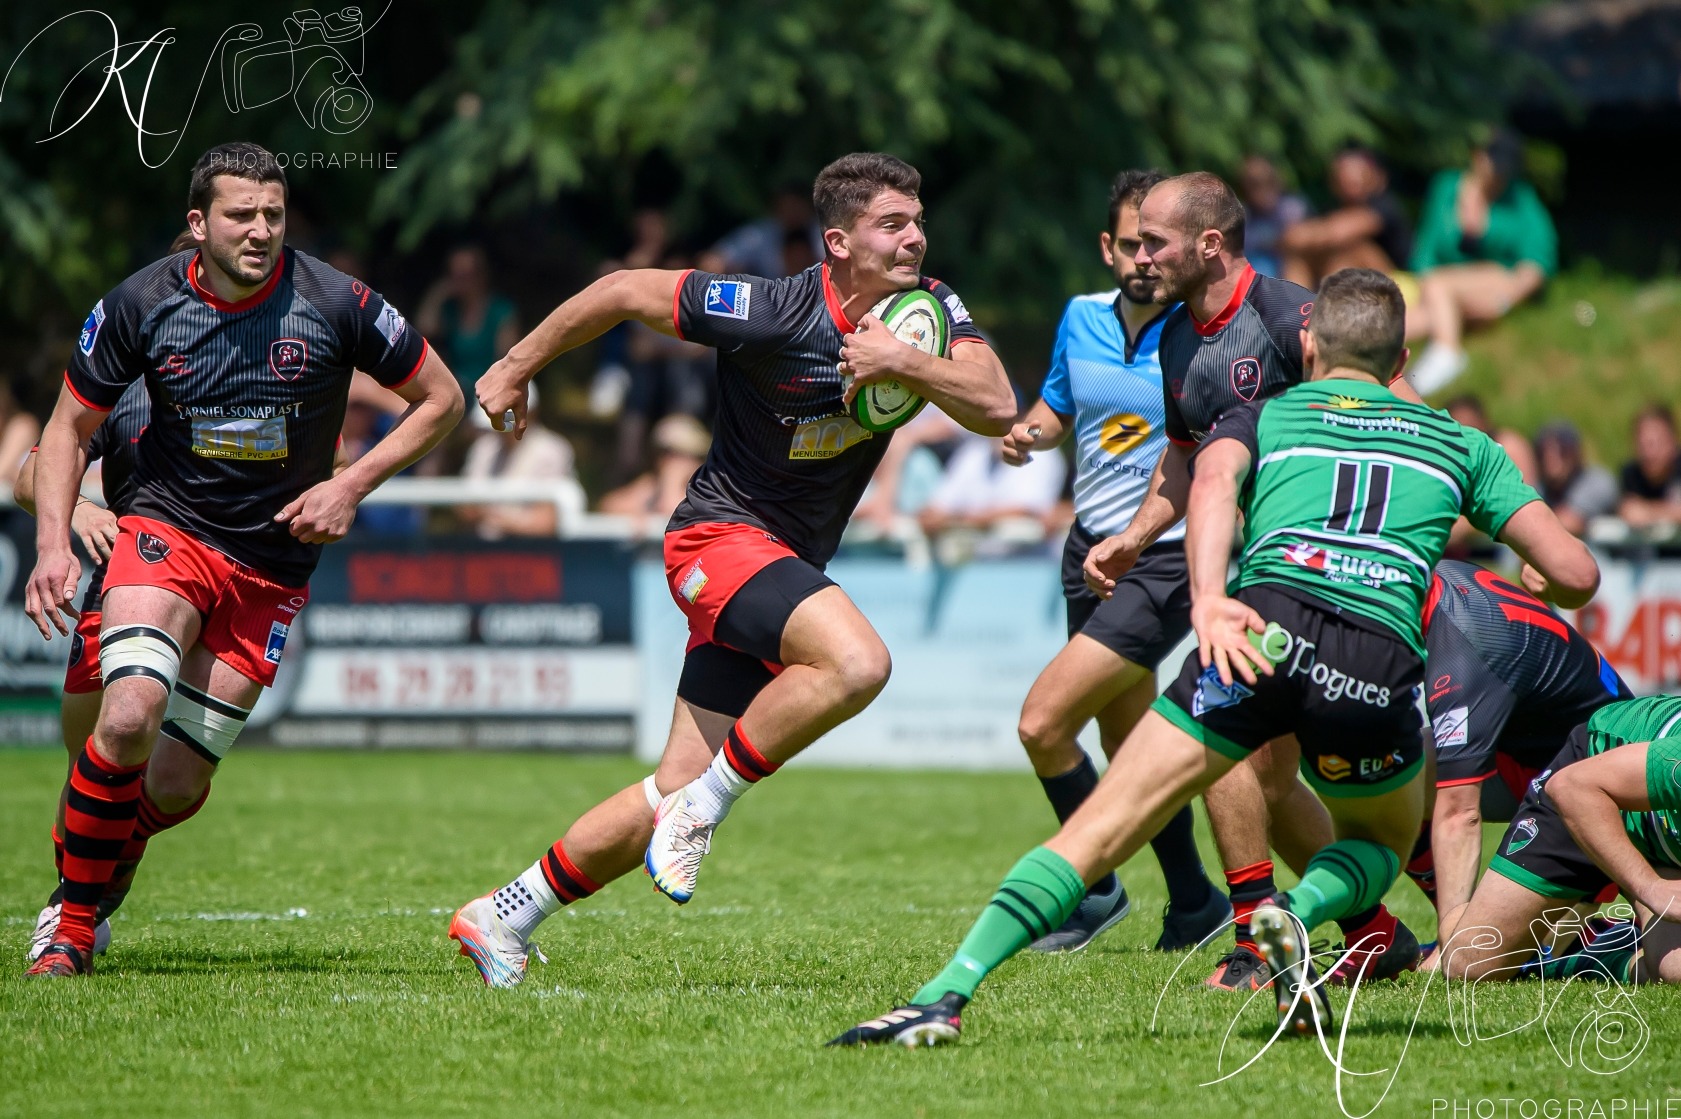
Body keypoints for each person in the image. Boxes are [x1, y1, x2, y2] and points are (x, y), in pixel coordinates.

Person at [831, 268, 1598, 1046]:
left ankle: (944, 991)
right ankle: (1292, 913)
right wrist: (1542, 574)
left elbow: (1208, 486)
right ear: (1400, 357)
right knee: (1376, 844)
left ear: (1306, 342)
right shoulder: (1462, 444)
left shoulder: (1262, 413)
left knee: (1095, 831)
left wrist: (1205, 600)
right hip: (1371, 658)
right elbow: (1575, 574)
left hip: (1255, 633)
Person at [449, 152, 1016, 988]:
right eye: (892, 224)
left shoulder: (926, 312)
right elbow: (616, 292)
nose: (915, 238)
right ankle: (705, 811)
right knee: (858, 662)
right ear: (838, 241)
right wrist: (513, 365)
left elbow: (996, 401)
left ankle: (503, 912)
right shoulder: (770, 308)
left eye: (917, 221)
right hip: (718, 540)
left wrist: (905, 363)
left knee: (667, 787)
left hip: (782, 564)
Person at [21, 141, 464, 978]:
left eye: (272, 214)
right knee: (125, 719)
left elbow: (443, 397)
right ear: (199, 224)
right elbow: (65, 430)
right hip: (167, 530)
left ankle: (87, 853)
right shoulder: (138, 303)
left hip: (272, 563)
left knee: (179, 783)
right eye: (240, 214)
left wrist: (351, 484)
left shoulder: (337, 302)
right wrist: (54, 537)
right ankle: (71, 928)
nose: (260, 230)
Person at [1082, 171, 1404, 993]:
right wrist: (1133, 534)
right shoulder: (1174, 338)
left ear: (1209, 246)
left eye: (1152, 240)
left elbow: (1402, 412)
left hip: (1343, 582)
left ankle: (1269, 935)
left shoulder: (1294, 319)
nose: (1138, 255)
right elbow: (1189, 457)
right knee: (1254, 762)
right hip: (1260, 580)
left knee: (1244, 749)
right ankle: (1362, 932)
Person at [998, 169, 1228, 955]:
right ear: (1107, 248)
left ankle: (1090, 888)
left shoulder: (1197, 335)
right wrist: (1026, 433)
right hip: (1085, 549)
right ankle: (1196, 902)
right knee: (1129, 749)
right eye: (1128, 243)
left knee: (1042, 722)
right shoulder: (1080, 318)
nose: (1140, 258)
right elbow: (1056, 408)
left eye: (1150, 244)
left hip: (1159, 556)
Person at [1413, 559, 1631, 965]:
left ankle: (1595, 936)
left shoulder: (1465, 645)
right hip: (1532, 759)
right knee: (1393, 769)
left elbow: (1460, 812)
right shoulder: (1435, 577)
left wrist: (1451, 946)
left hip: (1594, 792)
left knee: (1484, 961)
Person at [1445, 695, 1681, 985]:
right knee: (1469, 962)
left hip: (1666, 843)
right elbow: (1572, 787)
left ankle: (1603, 947)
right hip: (1588, 790)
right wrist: (1651, 887)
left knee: (1675, 972)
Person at [1407, 131, 1559, 394]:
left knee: (1438, 285)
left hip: (1496, 281)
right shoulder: (1446, 188)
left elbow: (1537, 261)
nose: (1500, 177)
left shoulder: (1522, 200)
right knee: (1411, 317)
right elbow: (1426, 248)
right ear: (1478, 158)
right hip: (1439, 287)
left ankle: (1447, 352)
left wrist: (1504, 301)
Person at [1279, 147, 1413, 290]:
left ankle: (1332, 306)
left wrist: (1308, 235)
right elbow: (1290, 239)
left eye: (1355, 181)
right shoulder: (1333, 207)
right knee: (1300, 257)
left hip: (1399, 282)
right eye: (1342, 180)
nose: (1348, 187)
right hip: (1361, 281)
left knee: (1352, 248)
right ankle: (1296, 308)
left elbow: (1338, 233)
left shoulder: (1384, 205)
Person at [458, 385, 583, 539]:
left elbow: (546, 522)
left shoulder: (552, 451)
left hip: (535, 556)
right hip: (482, 553)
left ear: (530, 413)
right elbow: (465, 507)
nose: (497, 425)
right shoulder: (484, 448)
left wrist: (493, 517)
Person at [416, 244, 520, 407]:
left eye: (464, 275)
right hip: (456, 388)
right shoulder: (450, 310)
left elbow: (508, 360)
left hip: (491, 387)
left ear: (481, 276)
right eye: (453, 275)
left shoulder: (501, 311)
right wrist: (437, 294)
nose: (458, 281)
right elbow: (424, 331)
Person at [599, 413, 712, 528]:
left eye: (694, 455)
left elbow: (671, 511)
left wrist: (671, 483)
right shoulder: (651, 484)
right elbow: (609, 505)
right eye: (669, 454)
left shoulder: (707, 487)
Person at [1534, 420, 1618, 537]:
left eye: (1562, 449)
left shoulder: (1598, 482)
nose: (1552, 457)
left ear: (1576, 453)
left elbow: (1570, 522)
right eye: (1543, 450)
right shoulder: (1538, 488)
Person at [1237, 155, 1309, 279]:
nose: (1264, 190)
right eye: (1255, 184)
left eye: (1269, 181)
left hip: (1287, 271)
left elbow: (1299, 239)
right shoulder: (1241, 217)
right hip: (1256, 272)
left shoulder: (1291, 207)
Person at [1618, 404, 1681, 532]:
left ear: (1673, 442)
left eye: (1656, 444)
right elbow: (1628, 510)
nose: (1650, 453)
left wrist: (1650, 512)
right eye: (1643, 445)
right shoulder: (1631, 474)